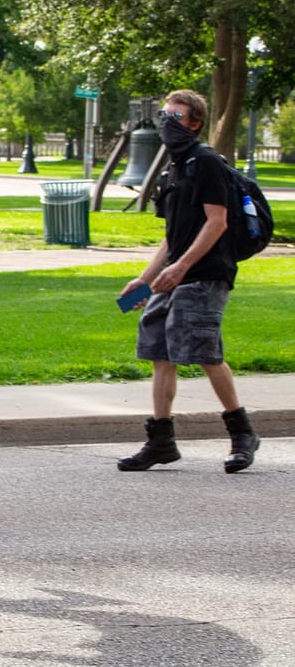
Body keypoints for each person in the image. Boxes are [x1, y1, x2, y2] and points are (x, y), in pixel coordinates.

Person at [117, 89, 257, 474]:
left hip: (206, 274)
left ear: (195, 123)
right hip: (172, 276)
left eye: (175, 116)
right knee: (159, 348)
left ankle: (242, 433)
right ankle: (161, 440)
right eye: (164, 115)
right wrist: (144, 280)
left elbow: (217, 222)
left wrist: (182, 268)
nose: (167, 123)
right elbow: (171, 237)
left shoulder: (206, 162)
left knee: (204, 350)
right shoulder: (173, 169)